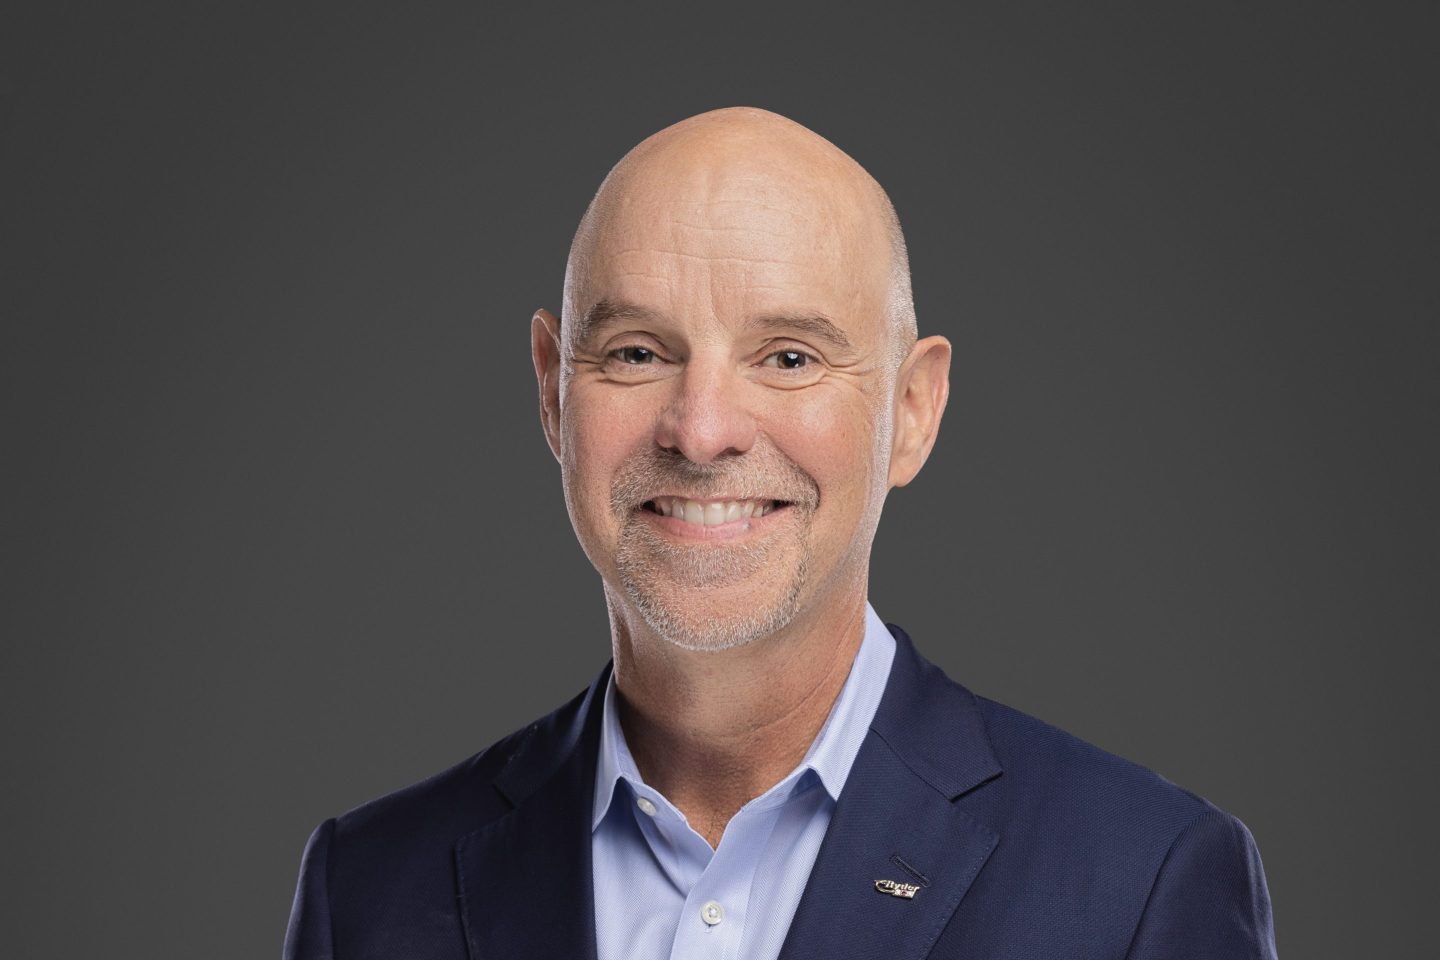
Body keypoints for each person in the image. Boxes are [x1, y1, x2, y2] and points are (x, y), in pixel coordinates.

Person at [283, 106, 1278, 960]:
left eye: (790, 357)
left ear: (913, 411)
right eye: (637, 352)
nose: (701, 429)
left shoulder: (1139, 885)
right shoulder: (366, 892)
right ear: (552, 392)